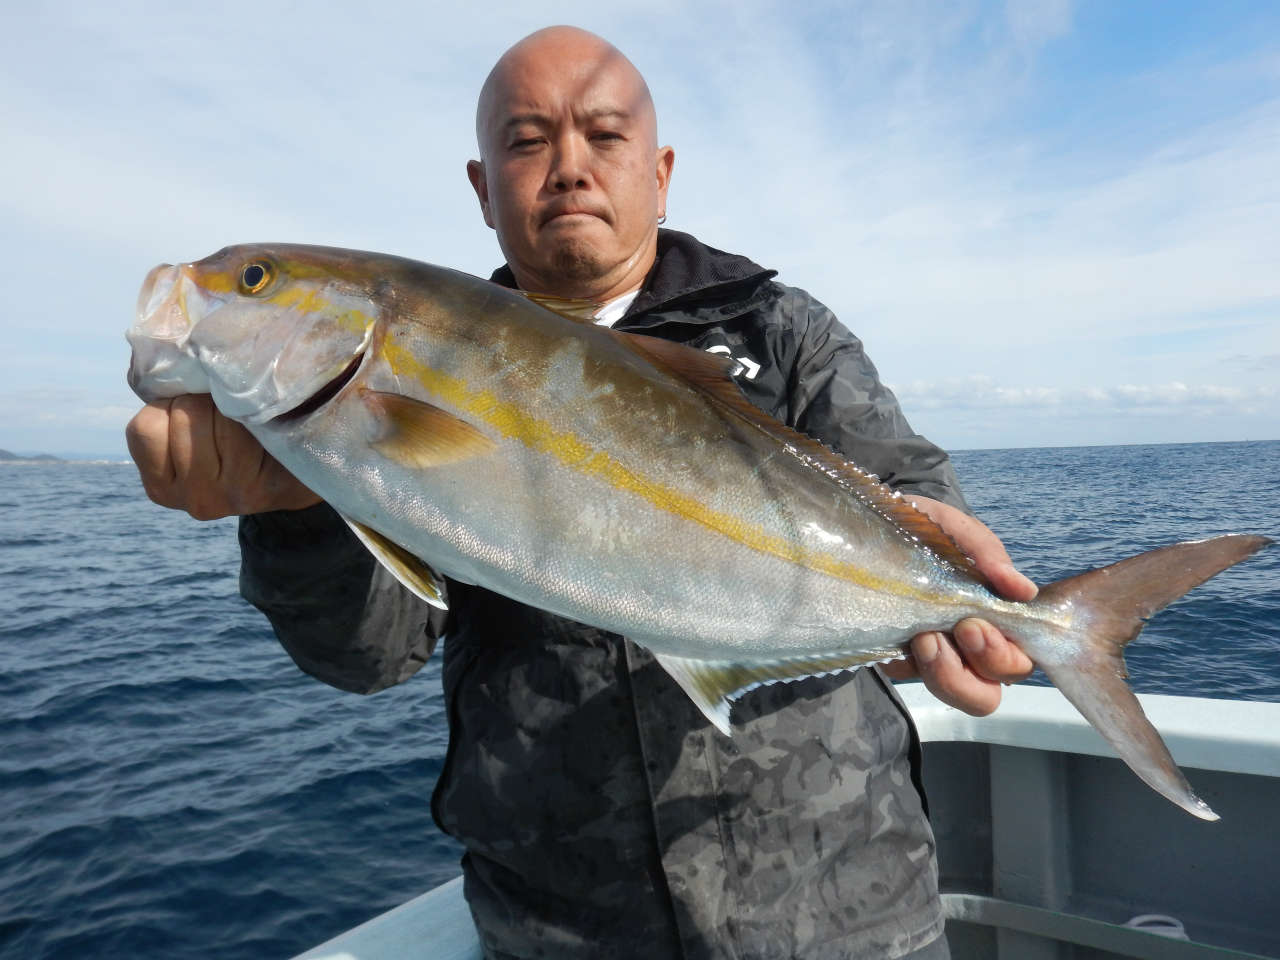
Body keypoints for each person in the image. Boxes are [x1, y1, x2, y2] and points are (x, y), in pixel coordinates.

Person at [126, 25, 1036, 960]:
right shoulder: (412, 374)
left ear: (660, 171)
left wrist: (941, 593)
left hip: (847, 905)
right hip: (562, 928)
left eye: (604, 136)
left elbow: (905, 487)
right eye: (525, 142)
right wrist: (293, 517)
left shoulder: (783, 332)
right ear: (483, 187)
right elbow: (369, 658)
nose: (568, 167)